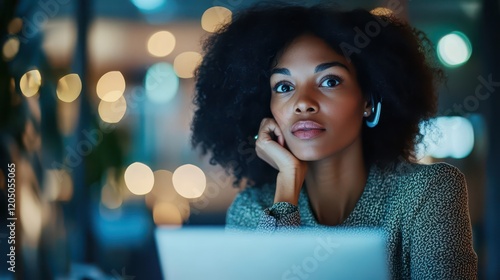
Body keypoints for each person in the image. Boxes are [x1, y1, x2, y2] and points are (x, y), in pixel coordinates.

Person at [190, 3, 477, 279]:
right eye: (284, 86)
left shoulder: (427, 192)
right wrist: (286, 189)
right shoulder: (253, 209)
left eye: (329, 81)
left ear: (368, 99)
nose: (302, 103)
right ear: (267, 107)